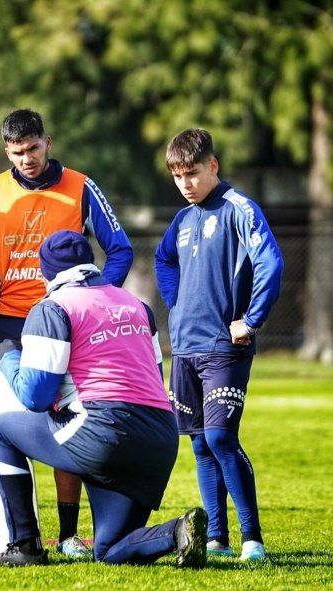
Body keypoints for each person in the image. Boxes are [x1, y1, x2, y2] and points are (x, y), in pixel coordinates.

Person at [0, 109, 134, 557]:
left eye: (33, 148)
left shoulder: (81, 186)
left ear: (47, 142)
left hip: (65, 321)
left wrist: (98, 295)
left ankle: (69, 535)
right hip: (9, 322)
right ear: (6, 152)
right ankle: (16, 532)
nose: (27, 159)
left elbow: (120, 248)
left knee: (68, 419)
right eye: (17, 153)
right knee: (0, 424)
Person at [0, 230, 208, 568]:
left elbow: (34, 396)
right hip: (159, 437)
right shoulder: (137, 305)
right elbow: (153, 377)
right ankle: (177, 532)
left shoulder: (53, 307)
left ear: (46, 272)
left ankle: (25, 546)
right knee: (110, 552)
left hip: (102, 433)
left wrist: (10, 358)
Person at [155, 128, 284, 561]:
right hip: (185, 347)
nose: (185, 184)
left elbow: (270, 260)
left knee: (220, 437)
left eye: (192, 173)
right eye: (177, 176)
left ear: (213, 165)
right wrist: (174, 305)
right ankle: (217, 539)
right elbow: (163, 259)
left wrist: (251, 319)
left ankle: (252, 538)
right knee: (198, 442)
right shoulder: (182, 220)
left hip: (224, 346)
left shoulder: (238, 209)